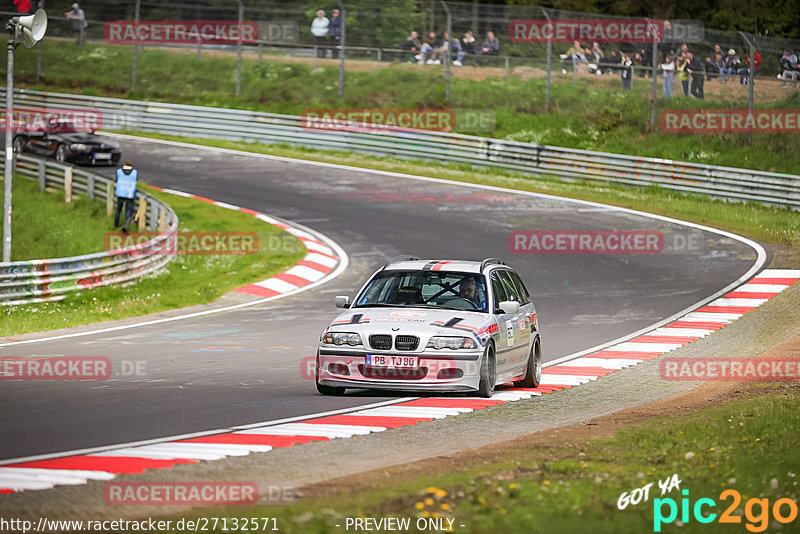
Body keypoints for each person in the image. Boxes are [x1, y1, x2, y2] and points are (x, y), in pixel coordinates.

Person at [114, 160, 138, 233]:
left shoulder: (119, 171)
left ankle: (116, 225)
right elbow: (135, 181)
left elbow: (116, 180)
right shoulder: (135, 172)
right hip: (129, 194)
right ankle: (126, 226)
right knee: (128, 211)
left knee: (118, 210)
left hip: (120, 193)